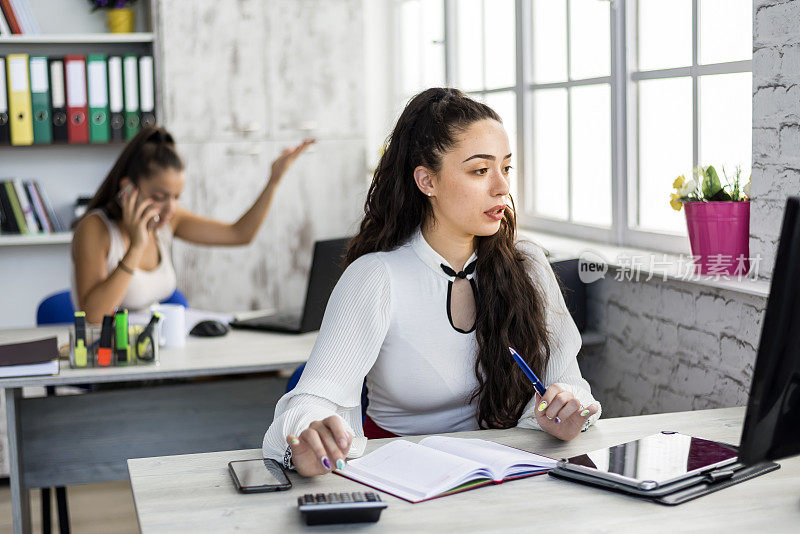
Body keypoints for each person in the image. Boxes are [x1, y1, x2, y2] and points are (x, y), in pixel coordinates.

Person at [262, 88, 601, 476]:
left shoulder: (529, 264)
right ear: (427, 181)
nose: (502, 187)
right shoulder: (376, 276)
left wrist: (567, 410)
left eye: (505, 168)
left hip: (505, 470)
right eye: (479, 170)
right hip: (402, 478)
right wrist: (309, 437)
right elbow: (312, 398)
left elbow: (569, 383)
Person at [72, 126, 313, 323]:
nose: (170, 209)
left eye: (176, 197)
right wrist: (136, 247)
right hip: (111, 361)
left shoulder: (167, 220)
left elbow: (239, 234)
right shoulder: (95, 229)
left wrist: (274, 181)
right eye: (159, 197)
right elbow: (93, 316)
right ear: (128, 189)